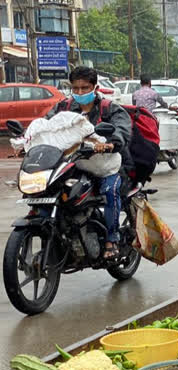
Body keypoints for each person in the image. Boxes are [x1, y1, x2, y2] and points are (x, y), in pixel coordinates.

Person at [46, 66, 132, 259]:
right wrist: (26, 140)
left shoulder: (109, 108)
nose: (79, 93)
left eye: (84, 88)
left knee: (110, 191)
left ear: (95, 87)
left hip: (107, 166)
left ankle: (112, 239)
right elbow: (46, 124)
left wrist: (110, 143)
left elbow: (122, 129)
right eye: (75, 88)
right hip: (74, 165)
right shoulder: (64, 107)